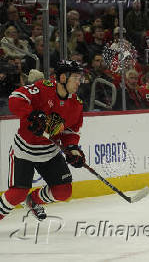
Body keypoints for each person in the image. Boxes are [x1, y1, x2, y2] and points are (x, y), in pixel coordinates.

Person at [0, 61, 86, 221]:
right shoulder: (42, 88)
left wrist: (73, 149)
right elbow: (15, 98)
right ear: (62, 77)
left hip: (49, 153)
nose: (78, 82)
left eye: (79, 78)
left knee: (63, 192)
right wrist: (31, 115)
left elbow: (71, 131)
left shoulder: (76, 104)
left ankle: (33, 201)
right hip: (24, 150)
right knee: (17, 194)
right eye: (75, 78)